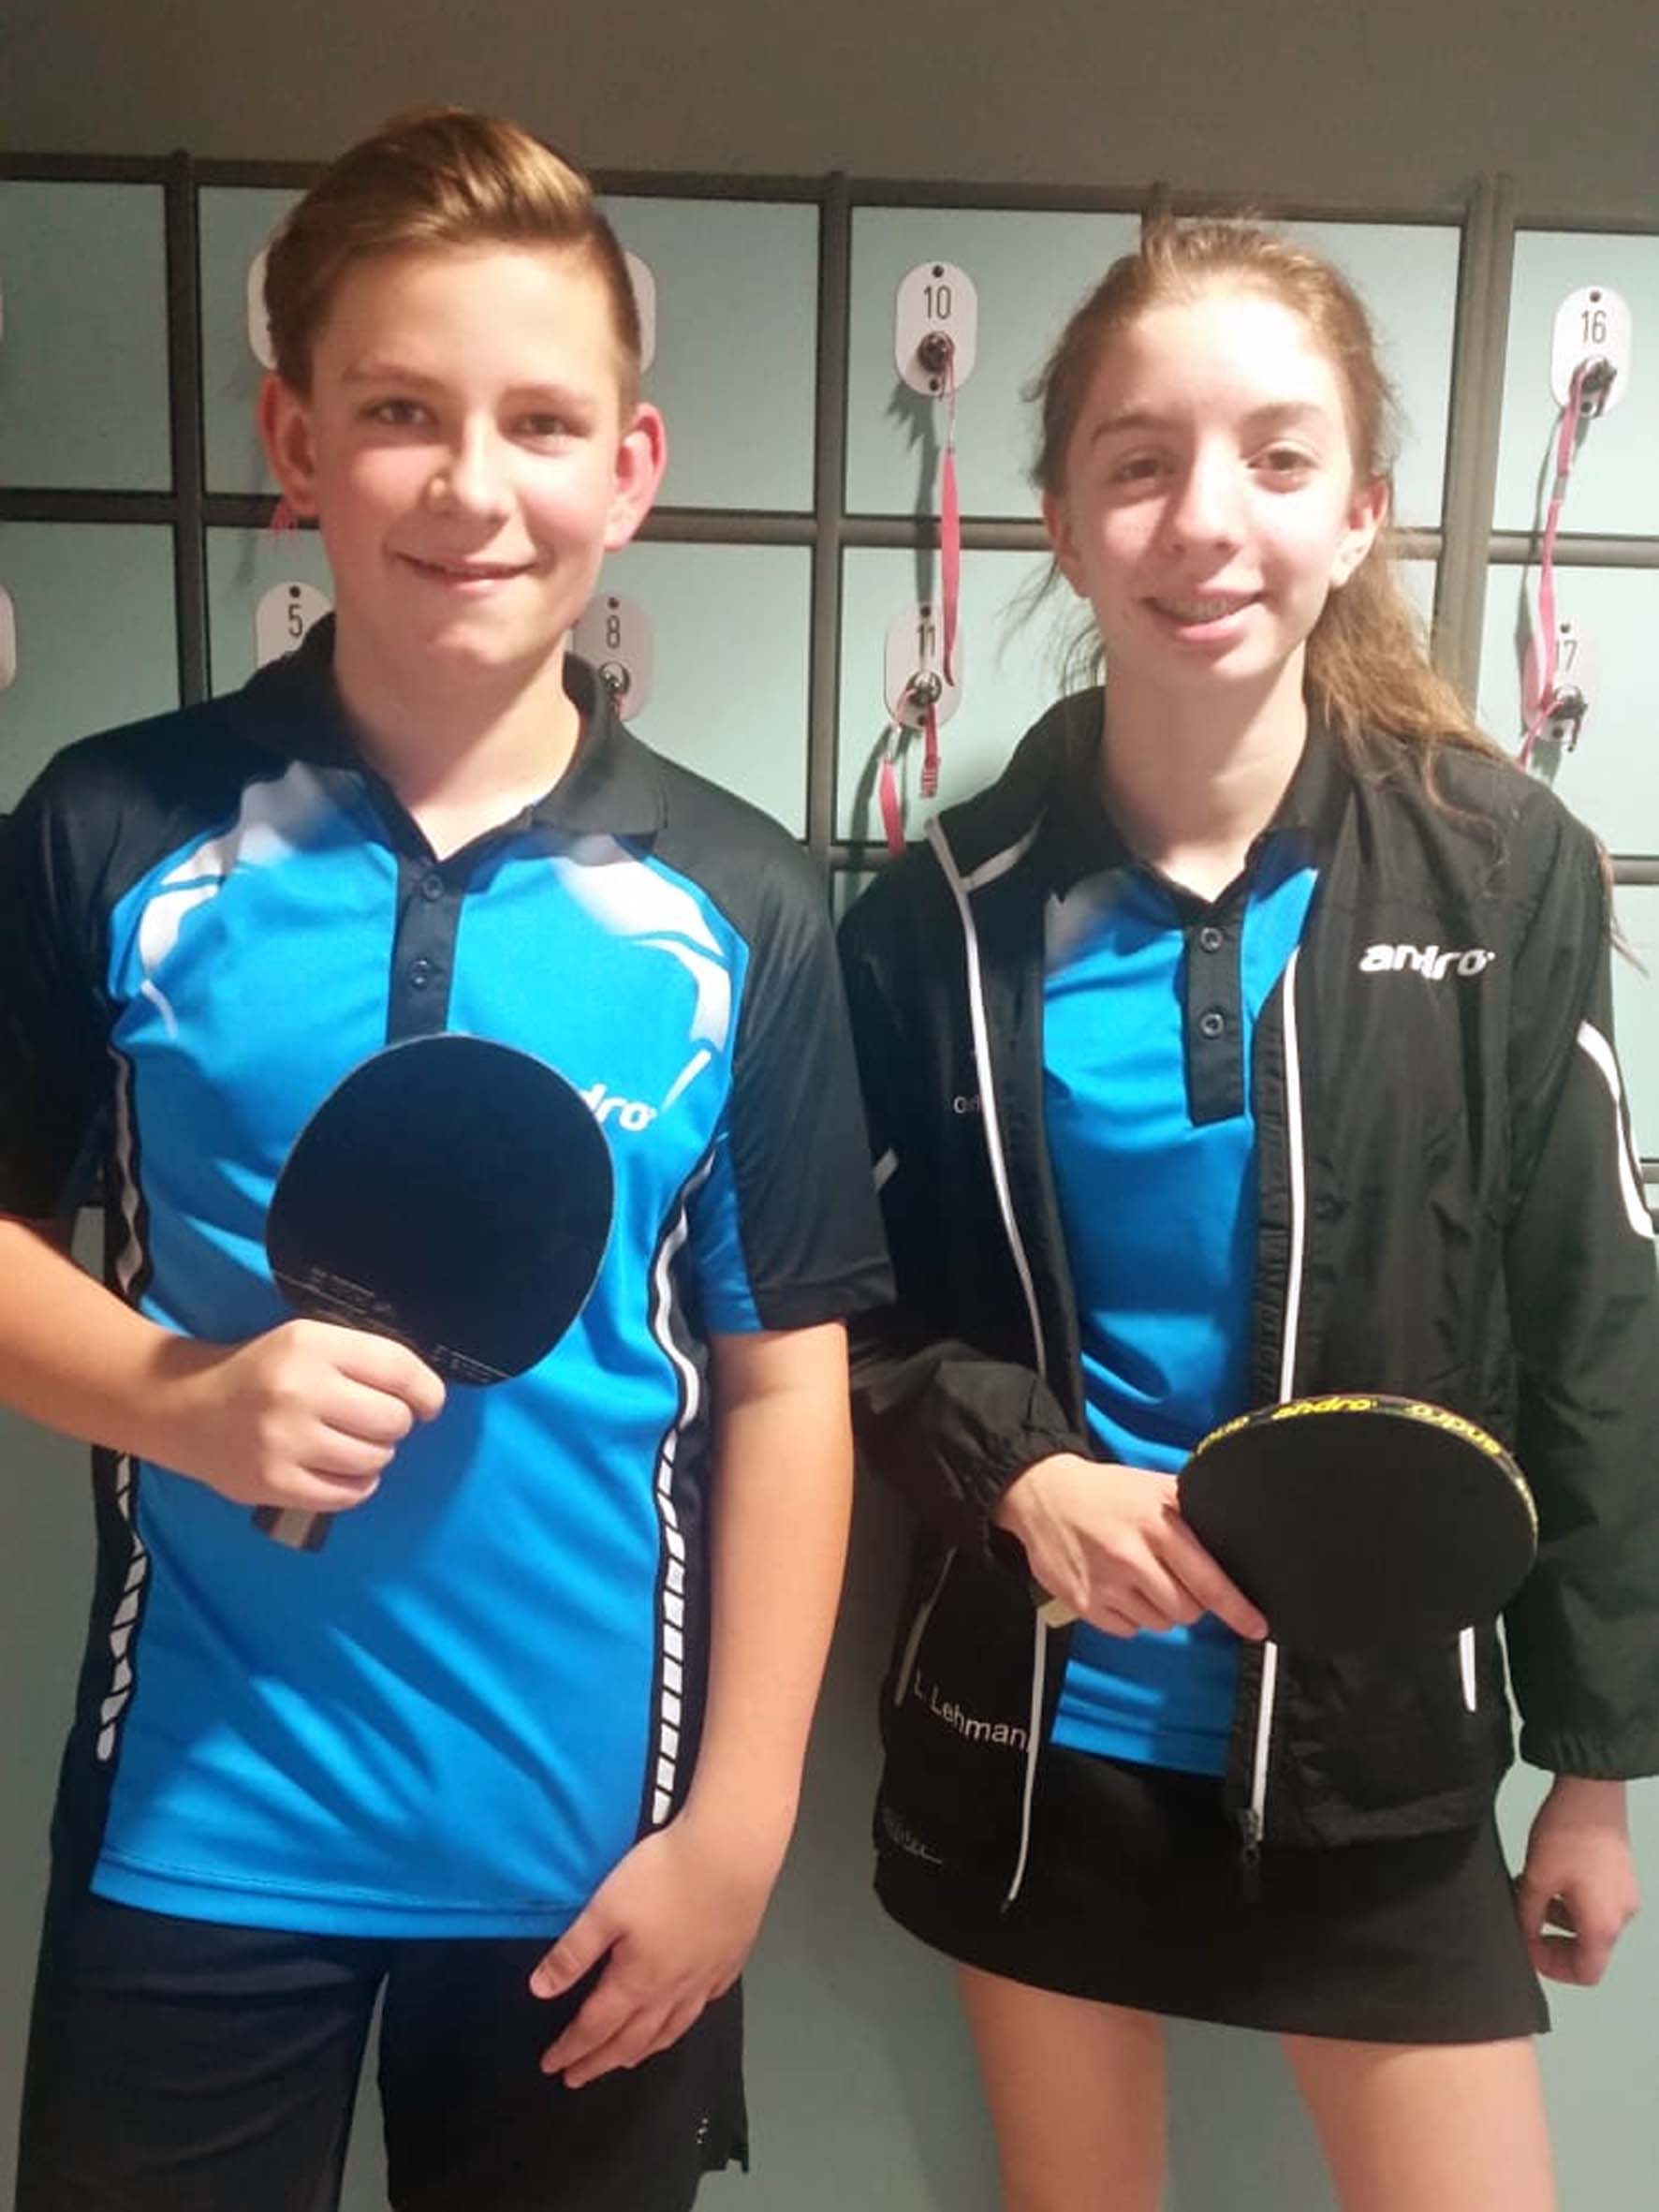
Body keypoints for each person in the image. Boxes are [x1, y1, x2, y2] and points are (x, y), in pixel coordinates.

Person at [4, 107, 888, 2212]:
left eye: (539, 421)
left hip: (595, 1861)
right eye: (401, 412)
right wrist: (181, 1399)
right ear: (294, 441)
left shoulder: (744, 900)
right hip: (199, 1826)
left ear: (629, 469)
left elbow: (787, 1388)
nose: (473, 485)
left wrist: (740, 1826)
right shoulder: (113, 827)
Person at [837, 219, 1658, 2212]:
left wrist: (1595, 1768)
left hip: (1383, 1752)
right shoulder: (938, 913)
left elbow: (1594, 1311)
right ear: (1062, 518)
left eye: (1277, 458)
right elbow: (838, 1312)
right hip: (1046, 1734)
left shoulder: (1499, 869)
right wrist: (1024, 1472)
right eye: (1141, 461)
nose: (1206, 519)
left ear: (1359, 510)